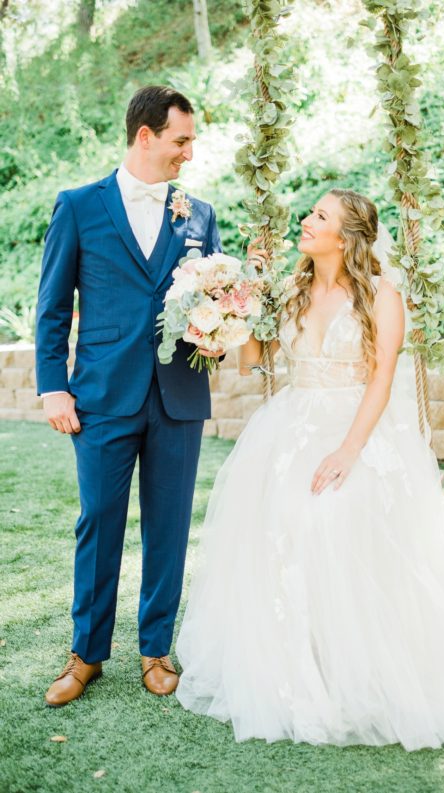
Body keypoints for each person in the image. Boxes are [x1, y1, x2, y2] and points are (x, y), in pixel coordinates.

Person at [175, 189, 444, 750]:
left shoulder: (380, 296)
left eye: (320, 217)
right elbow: (253, 363)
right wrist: (239, 306)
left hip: (355, 424)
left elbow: (383, 379)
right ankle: (299, 664)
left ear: (346, 237)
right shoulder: (289, 290)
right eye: (311, 213)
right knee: (280, 527)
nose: (307, 221)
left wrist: (347, 451)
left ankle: (361, 665)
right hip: (290, 424)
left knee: (337, 518)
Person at [35, 85, 223, 706]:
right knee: (99, 524)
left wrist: (221, 331)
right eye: (181, 141)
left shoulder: (199, 214)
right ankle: (86, 654)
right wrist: (53, 388)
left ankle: (155, 651)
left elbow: (218, 297)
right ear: (146, 136)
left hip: (178, 395)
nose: (189, 154)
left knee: (168, 528)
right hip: (101, 396)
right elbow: (53, 309)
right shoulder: (79, 206)